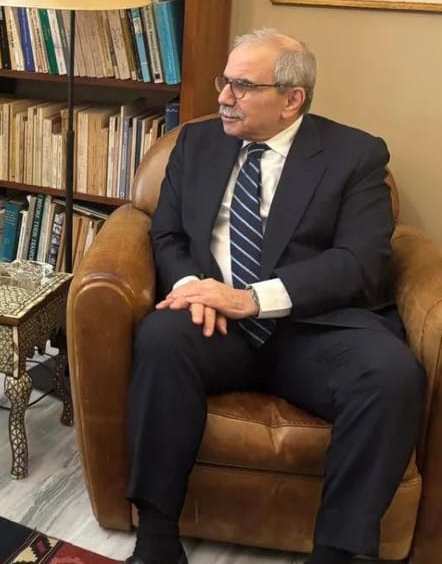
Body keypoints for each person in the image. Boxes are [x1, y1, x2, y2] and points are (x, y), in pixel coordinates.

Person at [125, 29, 425, 564]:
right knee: (161, 338)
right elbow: (166, 234)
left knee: (391, 374)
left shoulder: (355, 155)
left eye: (242, 86)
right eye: (224, 81)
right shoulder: (196, 143)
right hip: (214, 324)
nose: (224, 97)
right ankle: (156, 541)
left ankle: (335, 554)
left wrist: (253, 299)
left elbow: (359, 261)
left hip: (313, 327)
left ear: (292, 99)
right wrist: (194, 289)